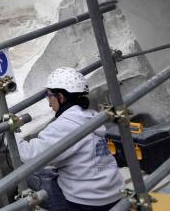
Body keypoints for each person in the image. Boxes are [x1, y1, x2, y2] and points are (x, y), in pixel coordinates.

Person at [18, 68, 124, 211]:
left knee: (27, 175)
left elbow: (30, 155)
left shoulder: (65, 125)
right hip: (113, 193)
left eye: (49, 96)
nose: (49, 103)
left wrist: (9, 136)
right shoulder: (91, 116)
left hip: (86, 203)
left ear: (60, 97)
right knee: (51, 171)